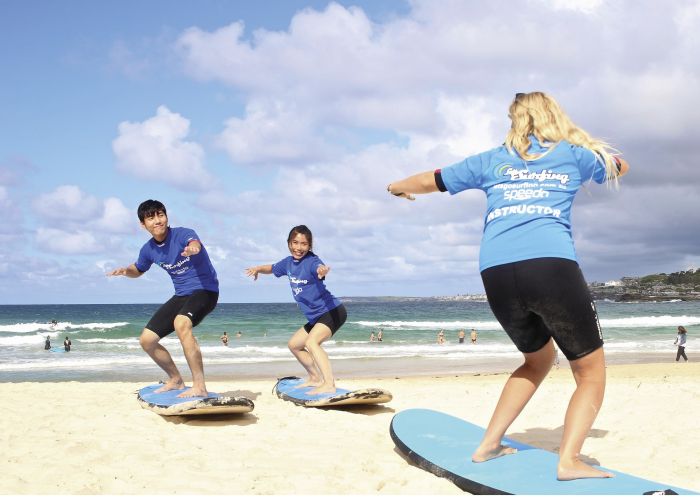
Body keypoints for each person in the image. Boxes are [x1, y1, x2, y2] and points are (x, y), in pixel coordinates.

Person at [387, 91, 630, 481]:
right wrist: (590, 148)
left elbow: (431, 179)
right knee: (590, 372)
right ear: (553, 116)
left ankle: (488, 445)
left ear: (515, 120)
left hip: (497, 274)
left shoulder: (491, 160)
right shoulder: (572, 153)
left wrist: (398, 186)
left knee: (536, 360)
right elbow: (620, 166)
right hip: (551, 267)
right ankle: (568, 461)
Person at [107, 199, 219, 398]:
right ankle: (175, 379)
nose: (157, 221)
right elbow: (138, 269)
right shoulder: (148, 249)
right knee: (147, 340)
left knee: (181, 322)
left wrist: (194, 248)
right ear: (143, 224)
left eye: (161, 215)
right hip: (182, 295)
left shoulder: (183, 234)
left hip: (206, 290)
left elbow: (194, 243)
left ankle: (199, 386)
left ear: (167, 217)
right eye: (151, 218)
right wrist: (126, 271)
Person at [246, 225, 347, 395]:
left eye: (304, 244)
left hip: (332, 311)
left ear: (310, 246)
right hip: (316, 317)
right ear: (289, 243)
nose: (299, 248)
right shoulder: (288, 263)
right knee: (294, 345)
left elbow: (319, 268)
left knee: (311, 343)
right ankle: (314, 378)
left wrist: (322, 271)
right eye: (295, 243)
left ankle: (329, 383)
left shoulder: (312, 262)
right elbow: (272, 268)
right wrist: (258, 269)